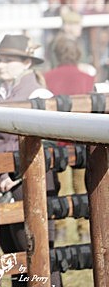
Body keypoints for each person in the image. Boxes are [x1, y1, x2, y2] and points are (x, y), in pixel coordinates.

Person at [0, 34, 63, 287]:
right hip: (5, 185)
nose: (1, 65)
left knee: (40, 255)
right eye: (0, 60)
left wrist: (14, 173)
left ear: (26, 62)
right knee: (14, 256)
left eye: (8, 60)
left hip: (33, 185)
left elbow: (49, 144)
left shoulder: (38, 95)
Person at [44, 36, 95, 243]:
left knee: (60, 188)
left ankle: (60, 228)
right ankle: (84, 229)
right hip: (82, 139)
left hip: (57, 141)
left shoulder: (47, 77)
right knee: (83, 186)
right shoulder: (87, 77)